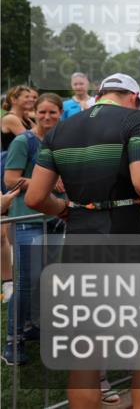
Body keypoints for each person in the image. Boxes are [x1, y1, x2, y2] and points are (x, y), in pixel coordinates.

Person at [24, 73, 140, 409]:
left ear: (101, 94)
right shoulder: (136, 119)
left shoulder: (61, 128)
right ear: (134, 96)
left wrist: (63, 209)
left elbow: (34, 198)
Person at [2, 92, 64, 365]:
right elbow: (10, 179)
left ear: (61, 114)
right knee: (27, 282)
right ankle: (11, 342)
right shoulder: (22, 141)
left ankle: (31, 326)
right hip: (27, 218)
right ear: (34, 114)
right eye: (43, 112)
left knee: (44, 279)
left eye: (53, 112)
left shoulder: (62, 141)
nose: (47, 117)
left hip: (54, 217)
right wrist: (44, 183)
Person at [1, 84, 37, 303]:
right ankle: (10, 279)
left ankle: (14, 274)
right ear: (14, 99)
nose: (31, 100)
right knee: (6, 224)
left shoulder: (26, 118)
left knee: (11, 225)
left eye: (33, 97)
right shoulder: (11, 118)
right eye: (26, 97)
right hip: (7, 166)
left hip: (21, 166)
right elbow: (33, 139)